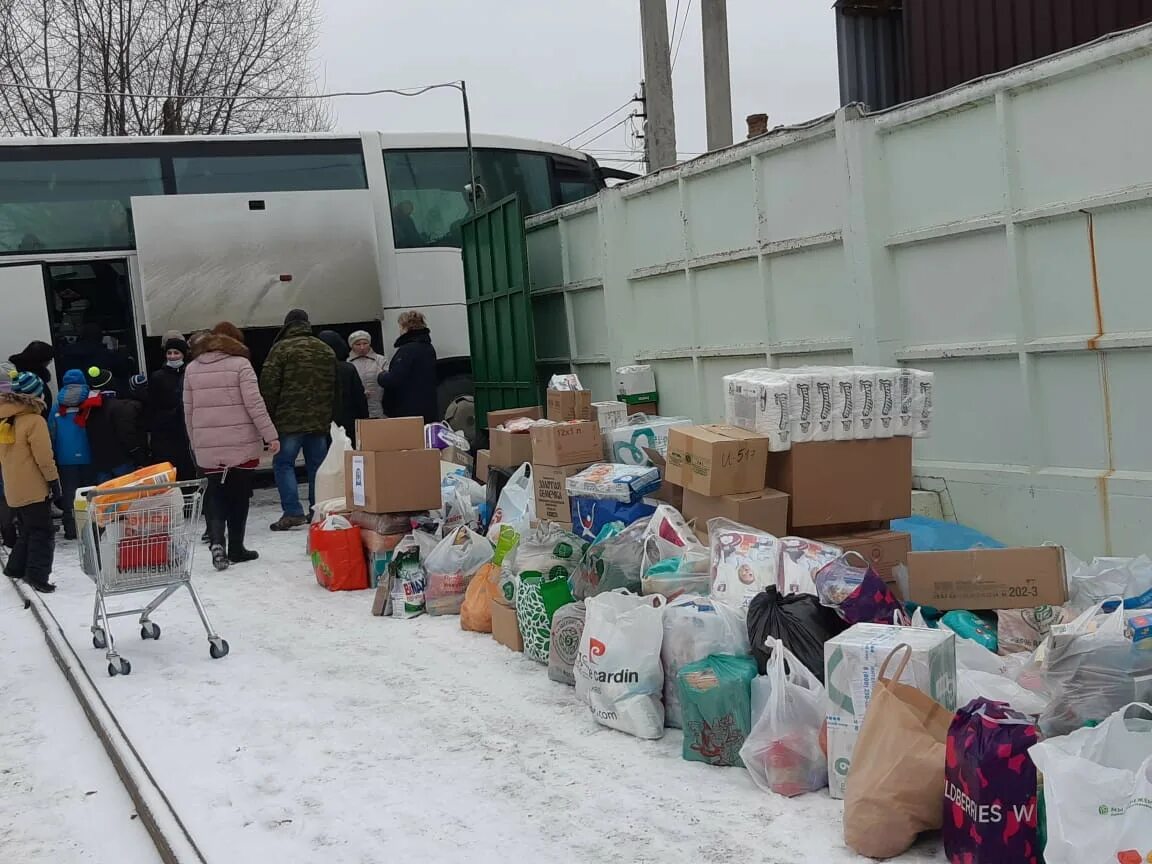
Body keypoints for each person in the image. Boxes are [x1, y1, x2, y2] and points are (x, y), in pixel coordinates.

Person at [184, 322, 279, 570]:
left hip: (207, 445)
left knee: (215, 493)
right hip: (240, 444)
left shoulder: (192, 368)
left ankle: (216, 541)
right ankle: (236, 548)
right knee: (239, 496)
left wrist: (195, 442)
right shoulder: (241, 365)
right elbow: (255, 404)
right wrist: (270, 435)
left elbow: (189, 410)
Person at [259, 309, 335, 531]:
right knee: (317, 467)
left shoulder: (281, 349)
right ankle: (318, 510)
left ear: (287, 325)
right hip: (319, 421)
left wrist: (268, 418)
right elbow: (335, 385)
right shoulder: (325, 349)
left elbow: (269, 386)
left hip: (289, 421)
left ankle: (292, 512)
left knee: (284, 464)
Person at [0, 372, 62, 593]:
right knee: (42, 532)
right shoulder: (34, 421)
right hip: (33, 487)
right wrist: (53, 480)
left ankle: (16, 568)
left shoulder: (5, 419)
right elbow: (44, 457)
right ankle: (37, 576)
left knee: (27, 529)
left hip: (13, 488)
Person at [47, 369, 99, 539]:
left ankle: (71, 529)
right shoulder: (90, 402)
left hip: (65, 458)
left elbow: (51, 433)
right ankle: (93, 527)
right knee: (90, 493)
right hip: (88, 454)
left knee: (70, 494)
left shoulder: (56, 406)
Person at [144, 335, 195, 480]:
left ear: (183, 354)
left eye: (176, 353)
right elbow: (152, 405)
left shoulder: (189, 374)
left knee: (187, 471)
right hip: (165, 432)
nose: (172, 356)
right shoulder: (157, 377)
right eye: (169, 353)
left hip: (186, 429)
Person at [86, 368, 148, 482]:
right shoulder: (120, 406)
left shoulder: (88, 409)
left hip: (100, 462)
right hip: (121, 460)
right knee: (128, 494)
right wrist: (138, 454)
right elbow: (126, 433)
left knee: (105, 497)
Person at [378, 310, 438, 423]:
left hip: (407, 408)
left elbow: (394, 379)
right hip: (426, 404)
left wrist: (381, 375)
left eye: (400, 327)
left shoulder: (407, 350)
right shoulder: (428, 347)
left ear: (406, 328)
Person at [317, 330, 369, 445]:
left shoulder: (314, 369)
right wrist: (364, 419)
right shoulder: (348, 368)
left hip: (323, 424)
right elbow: (359, 398)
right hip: (348, 422)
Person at [348, 331, 387, 419]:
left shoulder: (380, 360)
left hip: (380, 406)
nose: (362, 347)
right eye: (358, 344)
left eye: (365, 343)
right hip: (358, 409)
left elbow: (388, 381)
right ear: (352, 346)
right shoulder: (348, 363)